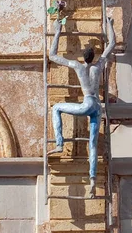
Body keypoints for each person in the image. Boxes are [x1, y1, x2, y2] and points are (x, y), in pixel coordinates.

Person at [48, 16, 116, 198]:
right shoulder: (98, 66)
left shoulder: (77, 66)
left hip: (86, 103)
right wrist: (110, 25)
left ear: (83, 57)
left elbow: (52, 56)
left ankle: (60, 144)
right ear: (93, 57)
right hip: (96, 106)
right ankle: (92, 180)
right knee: (93, 145)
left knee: (56, 108)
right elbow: (112, 44)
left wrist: (58, 30)